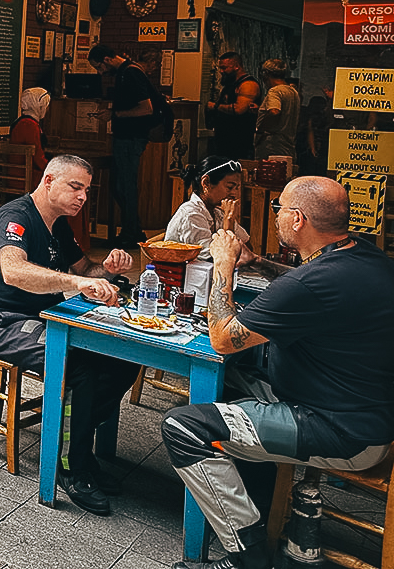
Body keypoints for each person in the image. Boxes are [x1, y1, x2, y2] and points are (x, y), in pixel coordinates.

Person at [162, 177, 394, 569]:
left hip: (339, 430)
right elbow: (306, 288)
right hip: (369, 411)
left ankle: (247, 554)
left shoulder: (313, 282)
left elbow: (222, 338)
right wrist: (257, 262)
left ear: (298, 219)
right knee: (236, 380)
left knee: (183, 427)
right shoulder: (366, 257)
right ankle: (263, 500)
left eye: (279, 209)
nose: (276, 216)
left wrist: (224, 264)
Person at [0, 154, 139, 516]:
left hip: (43, 318)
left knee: (124, 360)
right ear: (49, 181)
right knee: (77, 365)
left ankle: (75, 441)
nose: (82, 197)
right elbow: (14, 271)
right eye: (75, 187)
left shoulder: (59, 225)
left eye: (86, 191)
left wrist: (105, 270)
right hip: (0, 321)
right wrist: (77, 282)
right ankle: (71, 468)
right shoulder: (15, 217)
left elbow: (85, 268)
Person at [89, 44, 155, 247]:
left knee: (125, 186)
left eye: (99, 67)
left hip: (131, 138)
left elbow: (146, 108)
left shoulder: (131, 73)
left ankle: (131, 233)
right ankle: (133, 230)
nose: (100, 72)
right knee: (120, 185)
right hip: (125, 137)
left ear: (107, 59)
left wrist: (114, 114)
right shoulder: (126, 73)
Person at [9, 87, 90, 250]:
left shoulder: (20, 123)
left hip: (18, 174)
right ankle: (73, 242)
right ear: (38, 106)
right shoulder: (29, 125)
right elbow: (38, 158)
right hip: (28, 177)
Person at [165, 156, 262, 266]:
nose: (234, 194)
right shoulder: (191, 214)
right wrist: (228, 220)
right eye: (230, 187)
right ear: (206, 183)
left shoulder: (217, 213)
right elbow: (221, 258)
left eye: (237, 188)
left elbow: (248, 248)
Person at [207, 52, 261, 160]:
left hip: (239, 141)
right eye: (220, 68)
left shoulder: (248, 84)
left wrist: (215, 106)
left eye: (224, 68)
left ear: (237, 66)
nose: (221, 71)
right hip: (224, 139)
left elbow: (239, 109)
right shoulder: (230, 84)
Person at [254, 58, 300, 161]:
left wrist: (261, 130)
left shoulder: (275, 91)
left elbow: (274, 112)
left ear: (266, 74)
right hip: (288, 145)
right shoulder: (292, 92)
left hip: (272, 145)